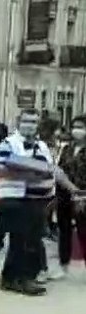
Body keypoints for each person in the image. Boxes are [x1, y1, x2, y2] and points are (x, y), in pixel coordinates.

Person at [0, 111, 56, 295]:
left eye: (34, 122)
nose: (30, 125)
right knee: (20, 238)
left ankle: (16, 277)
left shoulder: (42, 145)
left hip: (37, 198)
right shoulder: (9, 143)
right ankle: (19, 279)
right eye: (27, 121)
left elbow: (49, 168)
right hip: (14, 196)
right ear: (19, 122)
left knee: (32, 238)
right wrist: (28, 174)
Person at [54, 115, 86, 276]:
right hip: (64, 195)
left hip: (83, 197)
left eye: (81, 127)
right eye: (75, 127)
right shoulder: (67, 148)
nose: (77, 131)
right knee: (64, 230)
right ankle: (64, 265)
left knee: (83, 231)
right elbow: (59, 170)